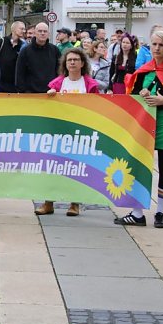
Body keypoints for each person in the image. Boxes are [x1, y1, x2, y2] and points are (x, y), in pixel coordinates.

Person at [116, 31, 163, 229]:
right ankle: (137, 213)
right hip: (145, 120)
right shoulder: (145, 69)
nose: (157, 48)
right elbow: (132, 94)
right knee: (138, 165)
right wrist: (140, 93)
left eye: (161, 45)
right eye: (154, 44)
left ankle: (160, 212)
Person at [36, 46, 100, 217]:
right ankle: (48, 202)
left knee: (76, 169)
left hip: (80, 134)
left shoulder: (90, 85)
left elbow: (98, 108)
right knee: (52, 168)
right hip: (58, 133)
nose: (72, 62)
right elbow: (47, 109)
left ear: (82, 63)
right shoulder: (57, 84)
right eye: (69, 60)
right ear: (65, 63)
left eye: (76, 60)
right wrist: (49, 96)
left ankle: (74, 203)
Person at [16, 22, 61, 94]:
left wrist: (57, 88)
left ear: (48, 34)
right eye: (40, 31)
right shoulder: (25, 51)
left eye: (45, 31)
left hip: (51, 93)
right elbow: (20, 72)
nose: (42, 33)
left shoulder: (55, 50)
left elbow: (59, 71)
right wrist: (22, 90)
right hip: (30, 93)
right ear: (35, 33)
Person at [0, 20, 25, 93]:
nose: (24, 31)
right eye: (21, 29)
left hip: (15, 83)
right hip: (0, 82)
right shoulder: (1, 42)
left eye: (24, 29)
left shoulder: (23, 45)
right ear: (14, 29)